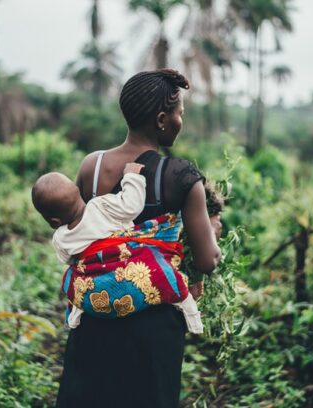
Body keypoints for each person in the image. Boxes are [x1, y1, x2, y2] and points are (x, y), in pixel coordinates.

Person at [55, 69, 221, 408]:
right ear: (162, 119)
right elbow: (207, 261)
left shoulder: (92, 167)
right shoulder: (181, 177)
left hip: (95, 317)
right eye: (179, 114)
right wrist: (213, 234)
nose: (180, 121)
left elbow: (80, 231)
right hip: (152, 331)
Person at [31, 164, 203, 333]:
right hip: (128, 270)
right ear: (77, 191)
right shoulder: (100, 205)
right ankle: (191, 313)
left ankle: (75, 314)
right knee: (162, 271)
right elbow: (132, 206)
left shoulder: (61, 238)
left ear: (54, 222)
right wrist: (131, 176)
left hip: (97, 290)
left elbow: (69, 260)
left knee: (71, 278)